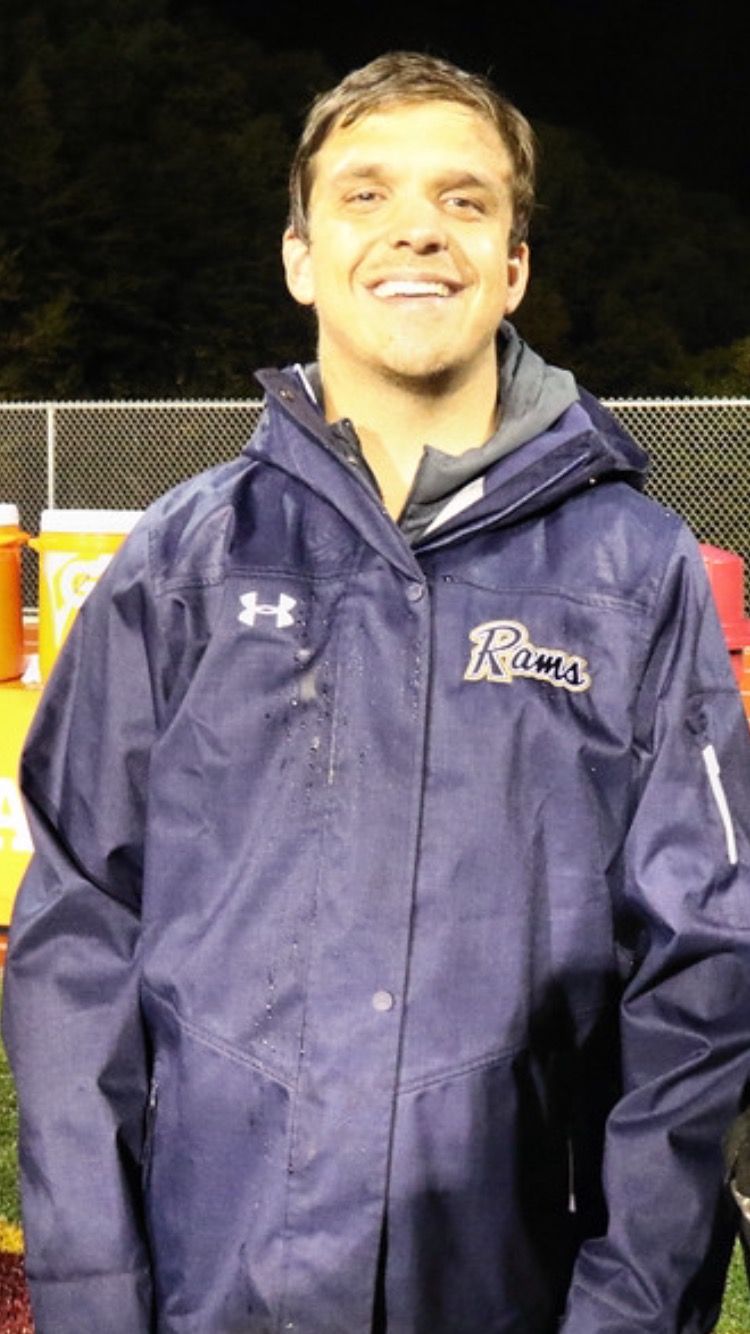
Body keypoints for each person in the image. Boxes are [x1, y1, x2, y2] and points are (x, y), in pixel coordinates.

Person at [3, 50, 750, 1334]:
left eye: (466, 199)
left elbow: (701, 973)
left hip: (516, 1294)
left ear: (514, 266)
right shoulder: (181, 564)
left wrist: (632, 1306)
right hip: (210, 1292)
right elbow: (80, 940)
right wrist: (93, 1295)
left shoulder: (636, 573)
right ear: (300, 256)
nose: (418, 227)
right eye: (366, 194)